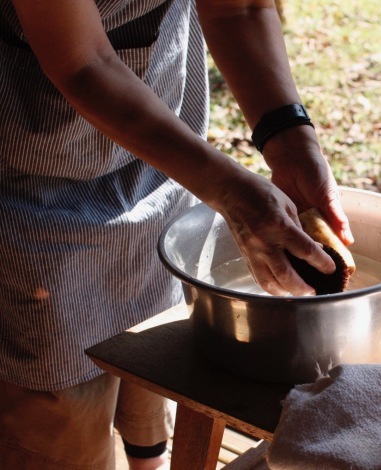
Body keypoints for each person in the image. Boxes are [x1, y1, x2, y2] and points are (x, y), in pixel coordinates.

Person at [0, 0, 353, 468]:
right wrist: (229, 190)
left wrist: (289, 137)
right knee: (62, 409)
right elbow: (83, 62)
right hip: (30, 178)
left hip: (163, 153)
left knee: (150, 359)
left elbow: (239, 9)